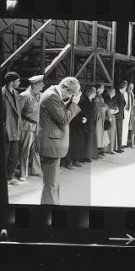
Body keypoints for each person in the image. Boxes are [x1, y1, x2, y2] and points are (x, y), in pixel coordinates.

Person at [37, 77, 83, 205]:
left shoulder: (54, 94)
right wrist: (74, 103)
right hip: (51, 145)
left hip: (53, 144)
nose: (70, 97)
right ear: (65, 88)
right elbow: (63, 120)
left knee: (54, 182)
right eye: (70, 94)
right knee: (51, 183)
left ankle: (54, 204)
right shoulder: (52, 96)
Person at [1, 73, 24, 183]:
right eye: (17, 81)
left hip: (15, 129)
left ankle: (9, 177)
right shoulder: (2, 93)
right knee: (4, 155)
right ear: (11, 82)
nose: (19, 83)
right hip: (6, 130)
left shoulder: (16, 93)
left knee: (14, 155)